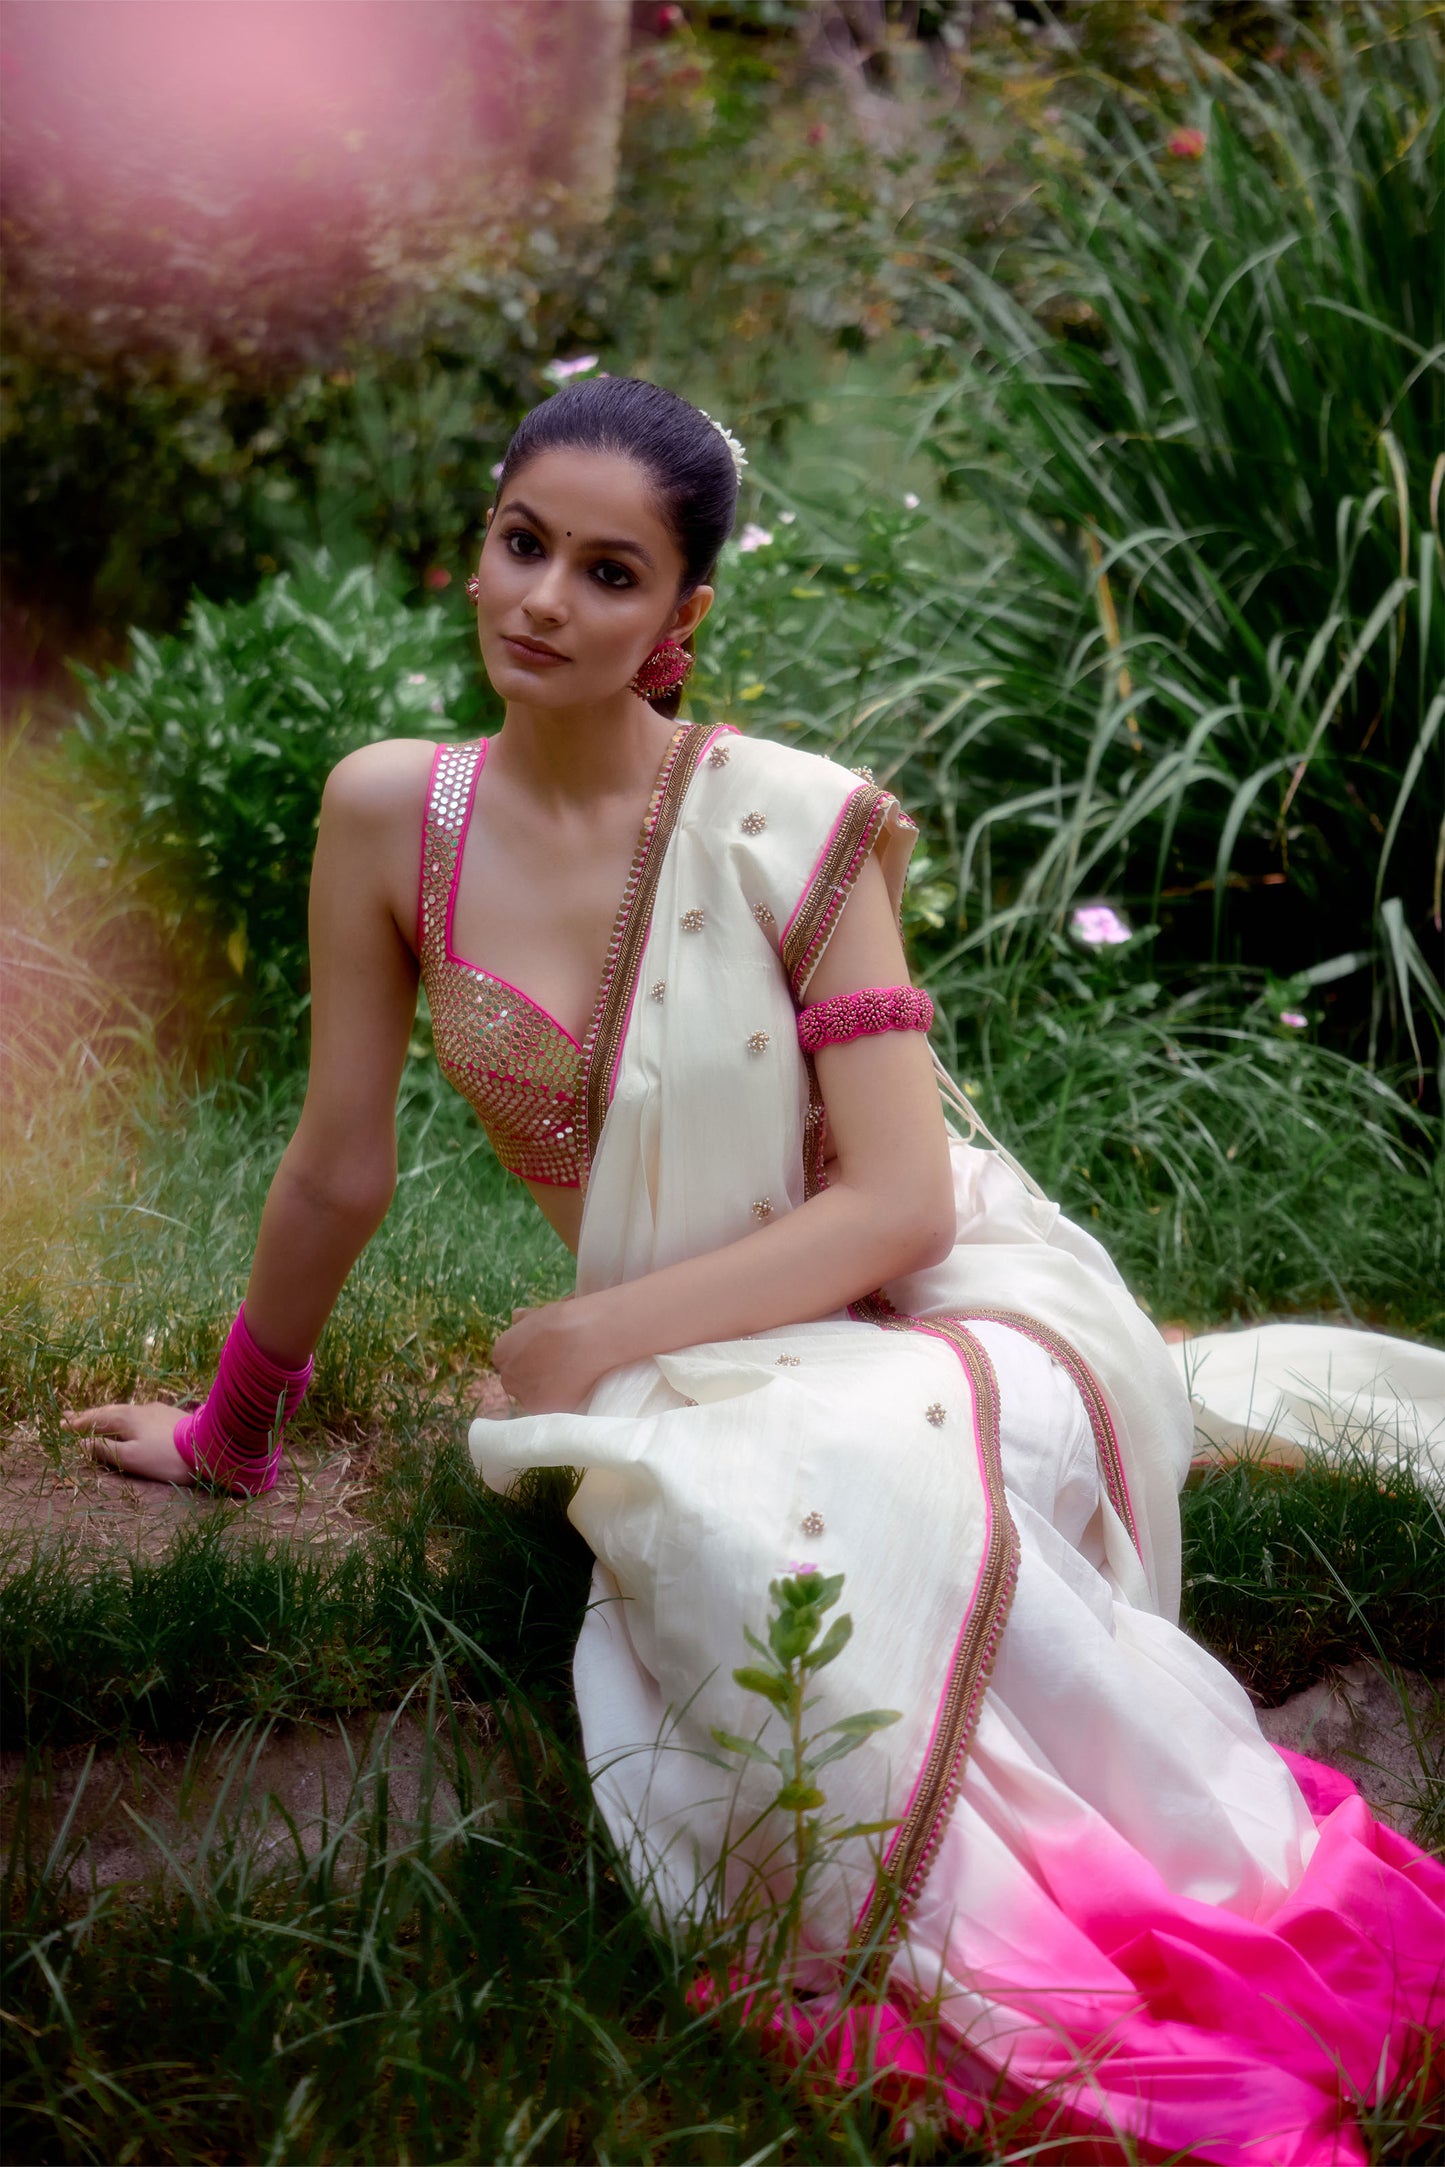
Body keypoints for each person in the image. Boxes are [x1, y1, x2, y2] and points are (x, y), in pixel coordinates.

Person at [65, 377, 1442, 2164]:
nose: (542, 600)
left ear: (681, 619)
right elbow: (339, 1156)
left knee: (773, 1479)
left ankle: (1066, 1927)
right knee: (710, 1473)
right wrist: (237, 1427)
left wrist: (590, 1329)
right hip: (711, 1331)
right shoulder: (393, 814)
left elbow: (899, 1208)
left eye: (607, 571)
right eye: (519, 543)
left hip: (901, 1296)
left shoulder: (792, 827)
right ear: (478, 542)